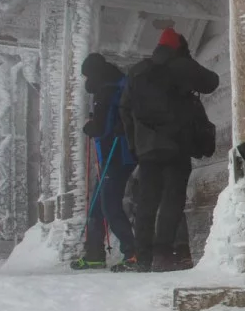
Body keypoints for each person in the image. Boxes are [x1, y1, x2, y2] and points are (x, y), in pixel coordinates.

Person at [120, 26, 220, 272]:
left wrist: (134, 144)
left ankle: (142, 256)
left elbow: (124, 109)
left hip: (146, 149)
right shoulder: (179, 65)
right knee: (172, 200)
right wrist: (187, 62)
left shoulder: (138, 71)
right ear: (179, 47)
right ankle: (163, 254)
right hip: (177, 145)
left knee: (146, 201)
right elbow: (211, 82)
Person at [72, 53, 139, 270]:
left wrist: (90, 127)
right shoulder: (118, 84)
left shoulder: (107, 90)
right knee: (97, 206)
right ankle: (94, 254)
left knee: (109, 205)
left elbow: (103, 126)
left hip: (116, 154)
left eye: (86, 76)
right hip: (119, 153)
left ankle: (132, 253)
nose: (86, 81)